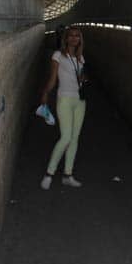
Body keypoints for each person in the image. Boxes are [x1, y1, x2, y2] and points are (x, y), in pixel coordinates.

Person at [39, 26, 87, 190]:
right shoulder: (58, 56)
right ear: (66, 38)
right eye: (71, 36)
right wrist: (45, 93)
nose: (74, 38)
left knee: (74, 138)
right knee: (66, 137)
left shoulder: (80, 58)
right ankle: (49, 173)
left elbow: (80, 79)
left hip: (80, 101)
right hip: (64, 99)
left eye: (77, 36)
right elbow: (53, 78)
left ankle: (68, 174)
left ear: (80, 40)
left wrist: (83, 78)